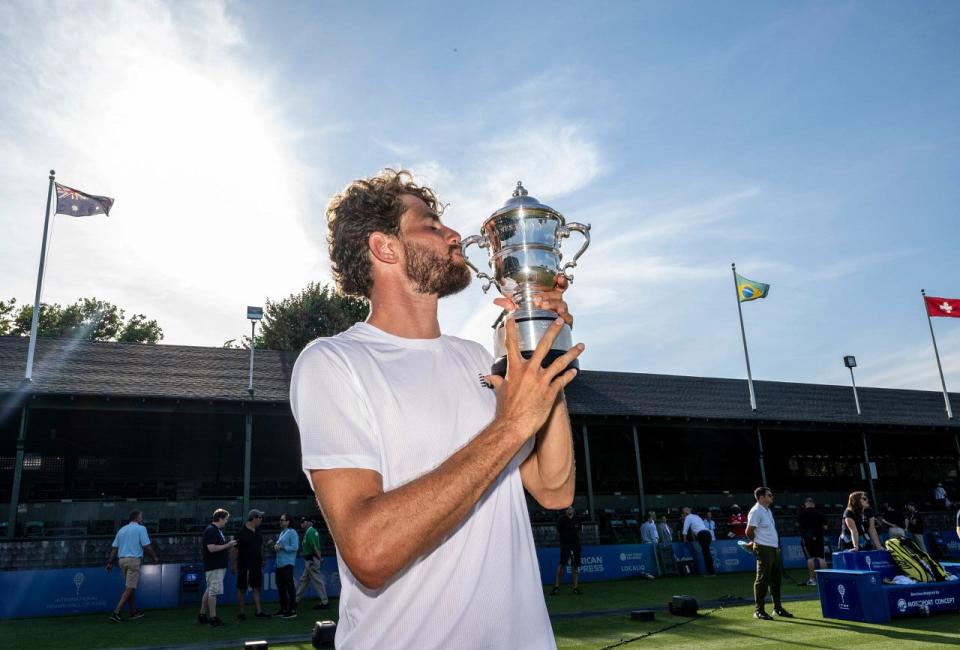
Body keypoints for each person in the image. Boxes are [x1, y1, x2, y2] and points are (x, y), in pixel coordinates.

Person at [290, 170, 581, 648]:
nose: (452, 234)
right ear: (385, 247)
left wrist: (539, 346)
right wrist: (508, 427)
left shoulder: (477, 357)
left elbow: (554, 489)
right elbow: (369, 549)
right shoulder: (334, 362)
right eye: (429, 225)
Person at [746, 487, 792, 620]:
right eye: (769, 495)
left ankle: (777, 608)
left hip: (773, 548)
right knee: (762, 579)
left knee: (776, 580)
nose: (772, 497)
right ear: (761, 497)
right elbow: (748, 531)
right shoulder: (756, 511)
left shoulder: (767, 510)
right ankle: (758, 610)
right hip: (764, 548)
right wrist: (755, 542)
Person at [105, 510, 158, 622]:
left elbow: (115, 548)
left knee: (130, 587)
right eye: (141, 517)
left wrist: (109, 562)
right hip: (133, 560)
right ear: (136, 518)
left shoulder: (122, 530)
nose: (142, 519)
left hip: (122, 561)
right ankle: (116, 612)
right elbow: (146, 546)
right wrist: (154, 557)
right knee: (130, 588)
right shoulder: (141, 528)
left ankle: (134, 612)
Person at [198, 508, 237, 627]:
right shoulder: (211, 530)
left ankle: (202, 615)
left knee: (209, 590)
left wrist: (227, 545)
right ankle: (213, 618)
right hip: (215, 566)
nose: (226, 522)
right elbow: (211, 548)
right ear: (220, 519)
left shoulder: (215, 530)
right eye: (225, 519)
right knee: (213, 592)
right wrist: (228, 545)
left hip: (216, 566)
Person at [233, 509, 270, 620]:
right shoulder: (241, 533)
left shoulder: (258, 531)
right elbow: (234, 549)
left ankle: (258, 612)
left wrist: (262, 559)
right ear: (254, 518)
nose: (261, 520)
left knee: (257, 588)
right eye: (260, 517)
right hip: (244, 565)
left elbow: (260, 547)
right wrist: (233, 563)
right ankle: (241, 613)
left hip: (256, 565)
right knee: (242, 589)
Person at [296, 516, 330, 610]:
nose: (302, 524)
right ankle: (295, 600)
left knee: (317, 581)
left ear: (308, 523)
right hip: (310, 560)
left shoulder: (310, 531)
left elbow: (314, 546)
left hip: (311, 560)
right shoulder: (311, 531)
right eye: (301, 522)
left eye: (303, 522)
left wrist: (319, 558)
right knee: (304, 581)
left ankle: (324, 602)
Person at [796, 497, 827, 586]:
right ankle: (825, 579)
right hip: (819, 538)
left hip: (807, 539)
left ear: (806, 504)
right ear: (813, 504)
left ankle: (812, 580)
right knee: (821, 558)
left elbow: (797, 524)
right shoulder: (819, 514)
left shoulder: (801, 514)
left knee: (810, 559)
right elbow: (825, 527)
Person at [274, 513, 299, 618]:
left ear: (288, 522)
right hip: (280, 564)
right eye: (280, 520)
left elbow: (295, 547)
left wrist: (282, 547)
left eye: (282, 520)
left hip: (287, 563)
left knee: (289, 587)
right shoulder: (282, 532)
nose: (280, 521)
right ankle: (284, 608)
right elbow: (280, 546)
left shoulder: (292, 532)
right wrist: (276, 546)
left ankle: (292, 610)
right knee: (281, 587)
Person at [552, 507, 582, 595]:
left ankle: (575, 588)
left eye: (571, 509)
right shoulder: (561, 519)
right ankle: (556, 587)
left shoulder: (578, 519)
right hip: (565, 546)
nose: (569, 510)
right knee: (562, 565)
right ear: (566, 511)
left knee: (575, 566)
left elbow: (579, 532)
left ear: (573, 510)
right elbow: (558, 532)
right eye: (568, 509)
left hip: (576, 546)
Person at [681, 507, 716, 577]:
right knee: (707, 553)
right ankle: (711, 572)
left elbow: (685, 531)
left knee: (706, 554)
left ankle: (711, 573)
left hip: (702, 535)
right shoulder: (696, 516)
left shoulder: (688, 518)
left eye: (683, 512)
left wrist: (684, 541)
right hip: (707, 534)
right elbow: (699, 526)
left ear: (685, 513)